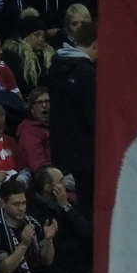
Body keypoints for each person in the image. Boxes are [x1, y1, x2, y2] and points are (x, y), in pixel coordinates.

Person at [46, 20, 96, 222]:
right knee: (86, 208)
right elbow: (92, 118)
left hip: (60, 150)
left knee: (60, 203)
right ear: (96, 45)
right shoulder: (88, 74)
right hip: (85, 156)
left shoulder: (54, 68)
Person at [0, 178, 56, 273]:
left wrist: (49, 240)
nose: (21, 208)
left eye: (23, 203)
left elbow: (47, 261)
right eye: (16, 204)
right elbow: (3, 271)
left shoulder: (32, 223)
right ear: (3, 204)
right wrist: (23, 245)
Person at [2, 12, 55, 98]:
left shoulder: (48, 56)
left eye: (43, 36)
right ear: (25, 35)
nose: (41, 39)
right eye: (37, 35)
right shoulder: (13, 55)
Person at [16, 87, 52, 173]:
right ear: (32, 108)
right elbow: (38, 166)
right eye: (39, 102)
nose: (44, 105)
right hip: (49, 175)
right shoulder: (28, 131)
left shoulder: (57, 124)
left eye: (47, 101)